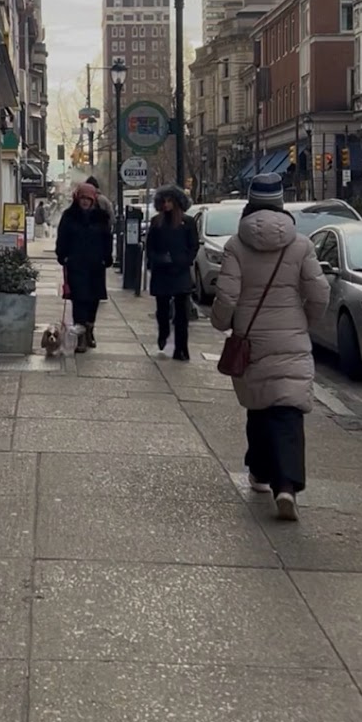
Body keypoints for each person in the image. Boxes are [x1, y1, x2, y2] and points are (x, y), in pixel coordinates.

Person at [211, 173, 329, 520]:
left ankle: (260, 472)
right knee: (288, 408)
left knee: (259, 404)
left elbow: (227, 297)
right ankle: (286, 485)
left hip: (252, 338)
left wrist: (221, 322)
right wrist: (305, 321)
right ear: (280, 203)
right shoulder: (301, 245)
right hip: (291, 336)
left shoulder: (236, 245)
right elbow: (320, 293)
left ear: (250, 202)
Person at [55, 181, 113, 352]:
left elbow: (107, 239)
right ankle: (80, 337)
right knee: (79, 299)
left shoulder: (101, 217)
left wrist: (107, 257)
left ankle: (89, 331)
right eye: (82, 198)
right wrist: (62, 255)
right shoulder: (69, 216)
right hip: (76, 264)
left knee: (93, 300)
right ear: (77, 199)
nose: (85, 202)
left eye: (88, 199)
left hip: (96, 265)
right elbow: (62, 237)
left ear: (93, 200)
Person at [145, 185, 198, 360]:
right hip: (162, 272)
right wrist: (157, 259)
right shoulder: (156, 222)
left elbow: (193, 245)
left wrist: (184, 260)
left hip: (180, 272)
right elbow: (150, 247)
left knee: (182, 314)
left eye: (170, 201)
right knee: (162, 310)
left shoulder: (187, 222)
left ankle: (181, 349)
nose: (166, 205)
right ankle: (164, 332)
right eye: (164, 201)